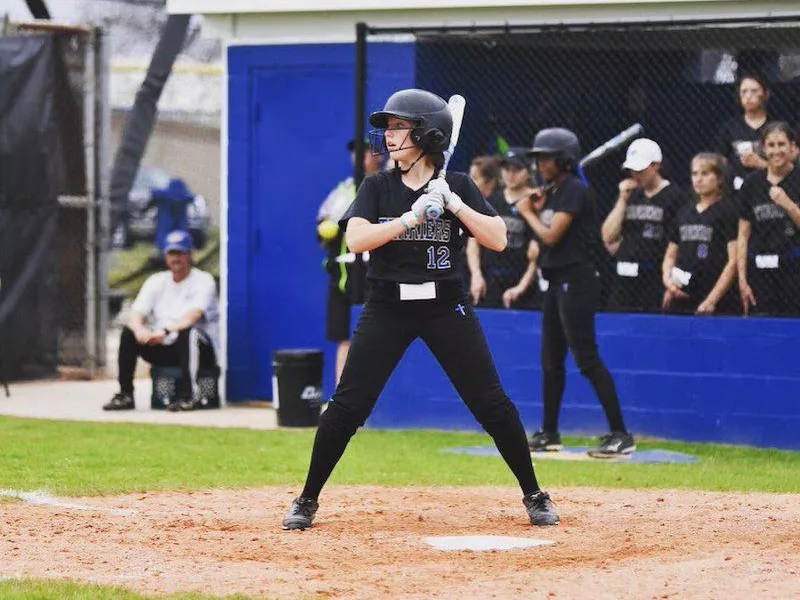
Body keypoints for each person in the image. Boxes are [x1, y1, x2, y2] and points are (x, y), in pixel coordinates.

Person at [282, 89, 559, 531]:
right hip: (388, 304)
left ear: (428, 136)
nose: (388, 135)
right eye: (388, 127)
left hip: (445, 305)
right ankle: (307, 498)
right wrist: (410, 219)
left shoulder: (459, 185)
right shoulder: (376, 186)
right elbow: (355, 241)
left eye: (398, 127)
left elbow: (498, 238)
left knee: (491, 403)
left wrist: (454, 204)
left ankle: (534, 493)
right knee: (347, 406)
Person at [515, 128, 635, 458]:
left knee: (586, 358)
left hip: (577, 280)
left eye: (546, 157)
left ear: (564, 160)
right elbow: (548, 236)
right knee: (551, 361)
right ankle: (549, 432)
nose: (540, 163)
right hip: (556, 281)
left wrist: (527, 214)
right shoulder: (555, 192)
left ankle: (620, 434)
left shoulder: (574, 190)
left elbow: (551, 237)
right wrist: (538, 208)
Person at [102, 230, 219, 412]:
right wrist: (140, 330)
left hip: (197, 349)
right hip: (164, 344)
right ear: (165, 256)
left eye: (181, 253)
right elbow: (136, 313)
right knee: (128, 333)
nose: (176, 258)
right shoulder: (156, 281)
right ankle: (125, 395)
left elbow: (193, 316)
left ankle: (189, 396)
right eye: (172, 253)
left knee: (188, 333)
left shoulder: (204, 281)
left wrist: (164, 332)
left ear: (191, 255)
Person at [317, 139, 384, 384]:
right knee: (344, 338)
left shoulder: (388, 185)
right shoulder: (343, 190)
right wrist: (326, 228)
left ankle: (371, 397)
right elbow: (322, 225)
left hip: (374, 274)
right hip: (343, 276)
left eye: (365, 151)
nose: (359, 156)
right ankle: (340, 399)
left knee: (375, 338)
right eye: (356, 152)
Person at [601, 139, 688, 312]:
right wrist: (622, 200)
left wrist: (672, 280)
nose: (635, 174)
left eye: (640, 169)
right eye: (632, 170)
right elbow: (608, 236)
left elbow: (680, 245)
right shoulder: (628, 195)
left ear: (656, 166)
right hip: (624, 277)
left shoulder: (676, 197)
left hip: (654, 277)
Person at [661, 153, 739, 315]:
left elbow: (734, 261)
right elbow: (670, 255)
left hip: (715, 294)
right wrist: (669, 283)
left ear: (720, 179)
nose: (698, 179)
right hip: (682, 291)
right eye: (695, 174)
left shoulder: (728, 211)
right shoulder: (684, 212)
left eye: (705, 174)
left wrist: (711, 300)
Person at [737, 122, 800, 317]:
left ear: (793, 147)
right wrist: (742, 279)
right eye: (771, 145)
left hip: (793, 270)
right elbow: (743, 235)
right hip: (759, 272)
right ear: (763, 149)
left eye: (781, 144)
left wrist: (788, 204)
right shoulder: (751, 184)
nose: (776, 150)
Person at [467, 147, 540, 309]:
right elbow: (473, 240)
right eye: (506, 169)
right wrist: (476, 276)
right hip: (490, 278)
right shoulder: (491, 200)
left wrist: (521, 287)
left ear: (528, 172)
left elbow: (538, 251)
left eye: (517, 169)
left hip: (522, 281)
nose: (510, 174)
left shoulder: (537, 201)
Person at [712, 74, 771, 191]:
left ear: (765, 94)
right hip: (737, 188)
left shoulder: (776, 127)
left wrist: (762, 164)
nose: (748, 96)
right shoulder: (730, 128)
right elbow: (719, 160)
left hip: (771, 186)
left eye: (754, 91)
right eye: (744, 92)